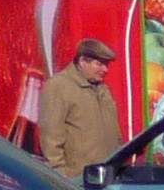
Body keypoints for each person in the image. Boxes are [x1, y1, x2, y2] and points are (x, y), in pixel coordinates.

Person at [38, 39, 123, 180]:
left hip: (106, 176)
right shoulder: (59, 87)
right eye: (99, 64)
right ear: (82, 61)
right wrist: (60, 177)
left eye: (106, 64)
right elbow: (50, 137)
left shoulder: (102, 90)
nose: (105, 70)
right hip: (77, 180)